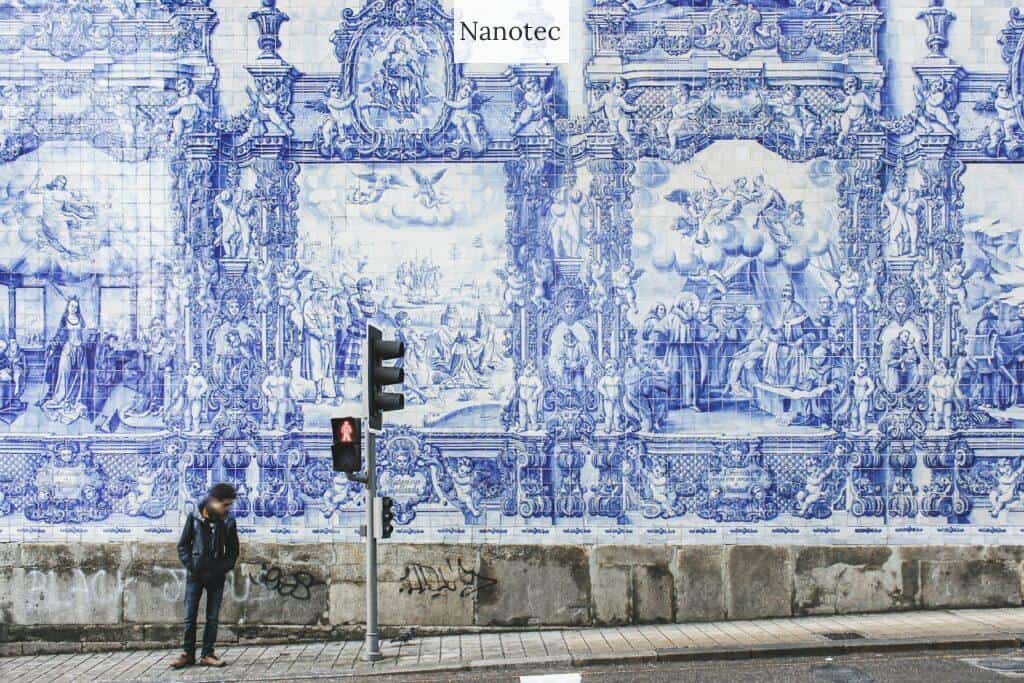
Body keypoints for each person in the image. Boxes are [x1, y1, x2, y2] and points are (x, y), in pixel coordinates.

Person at [171, 483, 240, 669]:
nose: (227, 509)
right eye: (224, 504)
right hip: (195, 575)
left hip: (216, 577)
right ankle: (188, 654)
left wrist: (222, 568)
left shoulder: (228, 521)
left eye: (229, 505)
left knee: (212, 617)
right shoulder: (194, 517)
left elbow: (233, 551)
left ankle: (207, 654)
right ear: (213, 502)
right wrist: (191, 565)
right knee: (189, 616)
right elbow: (183, 545)